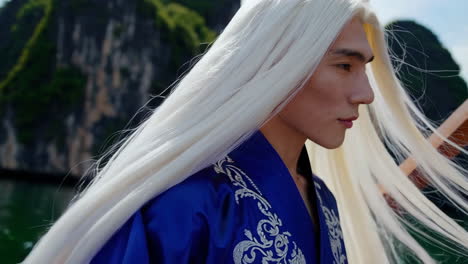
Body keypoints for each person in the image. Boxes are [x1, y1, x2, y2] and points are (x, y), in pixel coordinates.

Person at [23, 0, 468, 263]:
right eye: (345, 65)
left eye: (364, 70)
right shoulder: (184, 207)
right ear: (279, 64)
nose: (366, 95)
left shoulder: (325, 204)